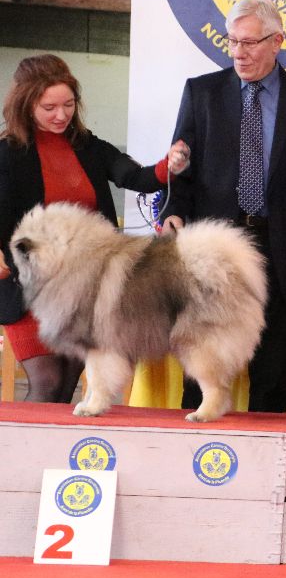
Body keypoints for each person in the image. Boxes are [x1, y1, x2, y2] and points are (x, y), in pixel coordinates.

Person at [162, 0, 286, 413]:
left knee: (271, 375)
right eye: (232, 42)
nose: (239, 52)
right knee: (200, 372)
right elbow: (181, 169)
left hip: (281, 254)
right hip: (213, 255)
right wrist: (174, 212)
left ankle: (265, 470)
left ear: (277, 42)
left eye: (250, 43)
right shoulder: (201, 93)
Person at [0, 54, 187, 403]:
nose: (61, 115)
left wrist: (169, 165)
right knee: (47, 380)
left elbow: (136, 177)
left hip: (86, 292)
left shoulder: (88, 146)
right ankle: (22, 458)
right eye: (49, 107)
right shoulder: (8, 154)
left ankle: (51, 456)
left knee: (68, 381)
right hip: (26, 289)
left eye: (68, 104)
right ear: (26, 105)